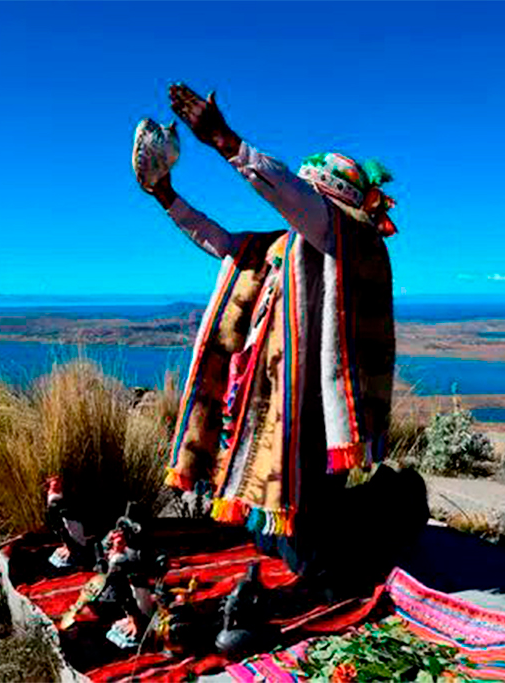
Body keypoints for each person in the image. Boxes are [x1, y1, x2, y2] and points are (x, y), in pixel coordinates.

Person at [140, 83, 402, 582]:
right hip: (268, 387)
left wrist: (226, 142)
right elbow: (216, 239)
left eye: (306, 199)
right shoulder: (284, 246)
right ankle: (281, 552)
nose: (292, 207)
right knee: (265, 485)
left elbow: (289, 193)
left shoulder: (341, 236)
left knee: (308, 521)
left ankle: (323, 573)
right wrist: (166, 196)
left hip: (310, 396)